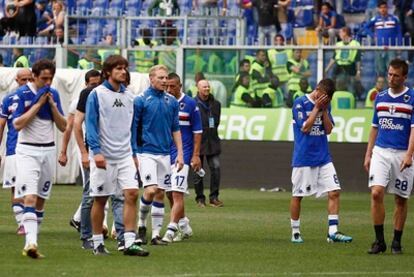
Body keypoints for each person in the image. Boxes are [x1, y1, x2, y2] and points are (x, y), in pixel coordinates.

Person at [85, 55, 149, 256]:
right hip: (104, 156)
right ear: (108, 72)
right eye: (119, 68)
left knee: (132, 193)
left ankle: (129, 242)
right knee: (101, 199)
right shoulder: (97, 94)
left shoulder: (130, 96)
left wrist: (134, 153)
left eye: (125, 68)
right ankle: (97, 243)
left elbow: (131, 127)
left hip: (125, 155)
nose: (123, 72)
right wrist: (96, 152)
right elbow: (91, 124)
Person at [13, 59, 67, 258]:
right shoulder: (22, 94)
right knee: (30, 197)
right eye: (44, 78)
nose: (47, 82)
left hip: (48, 150)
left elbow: (63, 126)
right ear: (34, 76)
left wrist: (52, 105)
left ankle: (33, 240)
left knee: (41, 201)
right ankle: (31, 243)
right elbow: (17, 125)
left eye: (50, 78)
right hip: (27, 151)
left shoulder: (53, 94)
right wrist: (37, 105)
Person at [290, 78, 352, 244]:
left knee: (334, 191)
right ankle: (295, 232)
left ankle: (332, 232)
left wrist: (324, 110)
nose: (324, 100)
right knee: (298, 195)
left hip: (324, 157)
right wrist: (317, 108)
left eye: (327, 99)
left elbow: (329, 130)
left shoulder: (326, 105)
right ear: (317, 90)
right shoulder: (299, 103)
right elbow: (305, 127)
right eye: (323, 97)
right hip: (304, 158)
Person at [364, 59, 414, 255]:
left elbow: (413, 130)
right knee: (376, 193)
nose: (391, 78)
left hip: (402, 153)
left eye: (395, 75)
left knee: (401, 199)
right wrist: (368, 153)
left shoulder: (411, 98)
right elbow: (374, 127)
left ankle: (397, 242)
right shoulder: (380, 97)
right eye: (389, 74)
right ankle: (379, 241)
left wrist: (409, 155)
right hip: (381, 152)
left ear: (404, 77)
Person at [132, 65, 184, 246]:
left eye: (165, 78)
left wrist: (179, 154)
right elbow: (133, 129)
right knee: (151, 190)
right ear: (151, 78)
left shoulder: (172, 102)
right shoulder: (140, 100)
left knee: (161, 193)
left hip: (165, 154)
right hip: (146, 152)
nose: (164, 81)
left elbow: (175, 129)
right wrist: (133, 152)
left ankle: (155, 235)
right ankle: (141, 226)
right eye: (160, 78)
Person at [161, 73, 202, 243]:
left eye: (173, 86)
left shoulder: (191, 104)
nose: (169, 89)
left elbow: (198, 131)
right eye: (167, 86)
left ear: (180, 86)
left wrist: (196, 155)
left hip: (183, 154)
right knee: (169, 194)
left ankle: (170, 231)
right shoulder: (163, 101)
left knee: (177, 193)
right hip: (165, 153)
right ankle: (184, 226)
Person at [0, 68, 32, 235]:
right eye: (23, 79)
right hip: (14, 149)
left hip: (33, 149)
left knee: (32, 188)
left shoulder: (38, 96)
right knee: (16, 187)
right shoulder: (8, 99)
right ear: (17, 80)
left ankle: (29, 221)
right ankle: (22, 223)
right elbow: (1, 125)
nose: (26, 82)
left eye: (29, 79)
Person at [194, 79, 223, 207]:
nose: (206, 89)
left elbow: (216, 123)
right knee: (198, 171)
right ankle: (200, 198)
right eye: (204, 87)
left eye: (208, 86)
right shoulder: (193, 104)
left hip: (212, 141)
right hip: (197, 142)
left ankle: (214, 197)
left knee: (216, 169)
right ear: (198, 89)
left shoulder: (216, 104)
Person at [364, 1, 402, 77]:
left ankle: (391, 88)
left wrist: (399, 45)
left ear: (387, 8)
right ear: (378, 9)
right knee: (380, 70)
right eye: (381, 8)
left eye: (384, 7)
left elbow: (399, 32)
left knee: (391, 69)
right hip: (379, 47)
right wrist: (372, 35)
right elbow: (366, 27)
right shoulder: (375, 18)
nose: (383, 9)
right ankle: (381, 87)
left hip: (392, 47)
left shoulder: (394, 18)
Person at [324, 27, 361, 92]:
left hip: (350, 66)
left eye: (340, 32)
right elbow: (334, 58)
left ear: (345, 33)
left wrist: (358, 71)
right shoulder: (338, 44)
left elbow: (358, 59)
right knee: (333, 83)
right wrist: (327, 69)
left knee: (352, 85)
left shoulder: (355, 44)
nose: (339, 34)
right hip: (339, 66)